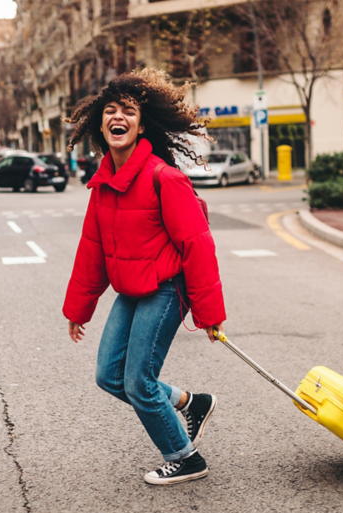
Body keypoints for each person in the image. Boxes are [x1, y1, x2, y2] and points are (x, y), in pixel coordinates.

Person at [63, 69, 226, 486]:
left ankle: (185, 457)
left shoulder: (162, 178)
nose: (118, 117)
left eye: (129, 111)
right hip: (131, 289)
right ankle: (190, 403)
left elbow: (198, 245)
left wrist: (209, 312)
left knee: (137, 382)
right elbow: (92, 252)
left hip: (166, 289)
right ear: (100, 124)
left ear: (141, 124)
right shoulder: (102, 185)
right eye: (111, 111)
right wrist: (78, 309)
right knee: (109, 376)